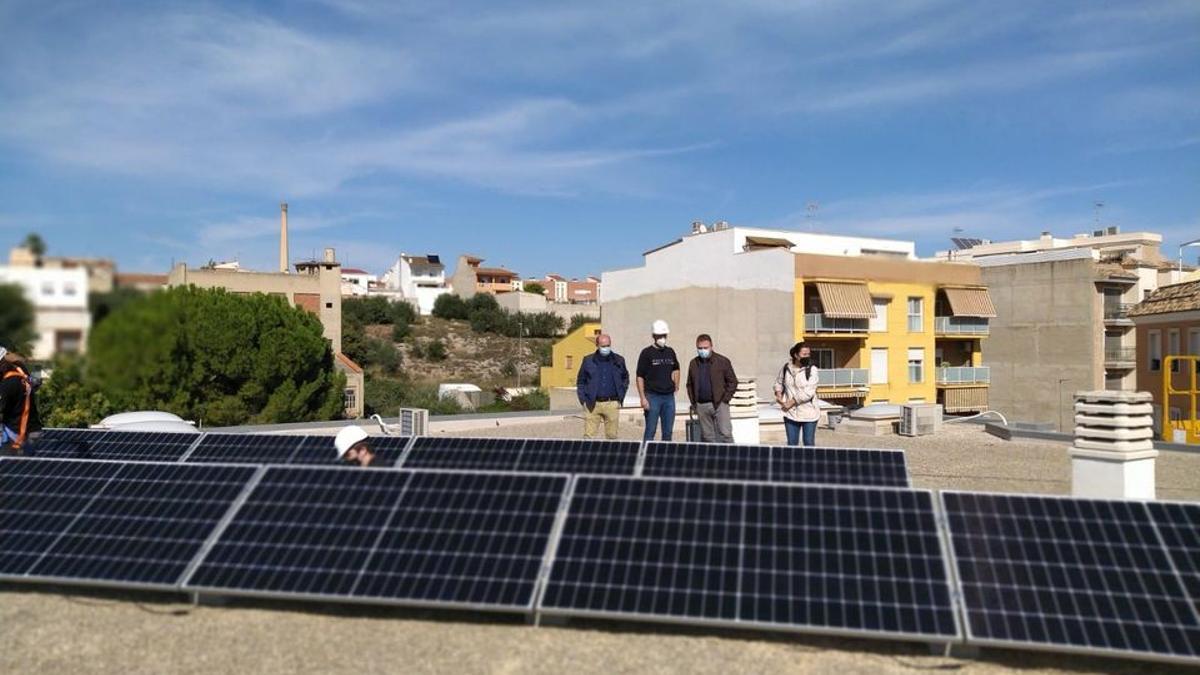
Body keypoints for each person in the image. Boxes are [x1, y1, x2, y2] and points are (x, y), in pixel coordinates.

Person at [575, 333, 629, 439]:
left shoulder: (619, 360)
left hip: (612, 403)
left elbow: (625, 378)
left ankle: (610, 456)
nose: (606, 348)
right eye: (603, 346)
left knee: (612, 437)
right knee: (589, 437)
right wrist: (583, 400)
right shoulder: (588, 360)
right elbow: (581, 381)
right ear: (597, 345)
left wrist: (621, 395)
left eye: (608, 345)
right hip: (592, 404)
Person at [686, 334, 738, 443]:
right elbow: (689, 384)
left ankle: (731, 458)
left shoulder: (722, 361)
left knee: (726, 434)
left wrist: (725, 400)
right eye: (700, 348)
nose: (703, 350)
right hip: (701, 405)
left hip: (719, 404)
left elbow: (733, 381)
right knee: (707, 437)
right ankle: (711, 459)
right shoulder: (693, 363)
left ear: (711, 347)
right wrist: (694, 403)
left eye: (705, 348)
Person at [636, 319, 680, 441]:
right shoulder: (646, 353)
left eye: (664, 335)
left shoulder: (670, 352)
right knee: (650, 430)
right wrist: (643, 398)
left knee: (668, 432)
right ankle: (646, 456)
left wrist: (676, 385)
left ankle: (665, 458)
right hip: (652, 397)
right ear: (654, 336)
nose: (662, 338)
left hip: (669, 397)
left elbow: (676, 368)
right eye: (660, 336)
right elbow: (640, 376)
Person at [774, 342, 820, 447]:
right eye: (804, 354)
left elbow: (809, 392)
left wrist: (791, 402)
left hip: (809, 413)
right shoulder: (786, 368)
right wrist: (778, 393)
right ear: (796, 355)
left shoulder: (812, 369)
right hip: (790, 413)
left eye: (808, 354)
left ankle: (810, 463)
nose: (807, 356)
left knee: (808, 443)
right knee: (792, 444)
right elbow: (778, 382)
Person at [0, 347, 42, 455]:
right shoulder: (20, 371)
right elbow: (35, 385)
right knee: (26, 469)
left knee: (10, 469)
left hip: (17, 436)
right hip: (34, 430)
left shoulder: (7, 384)